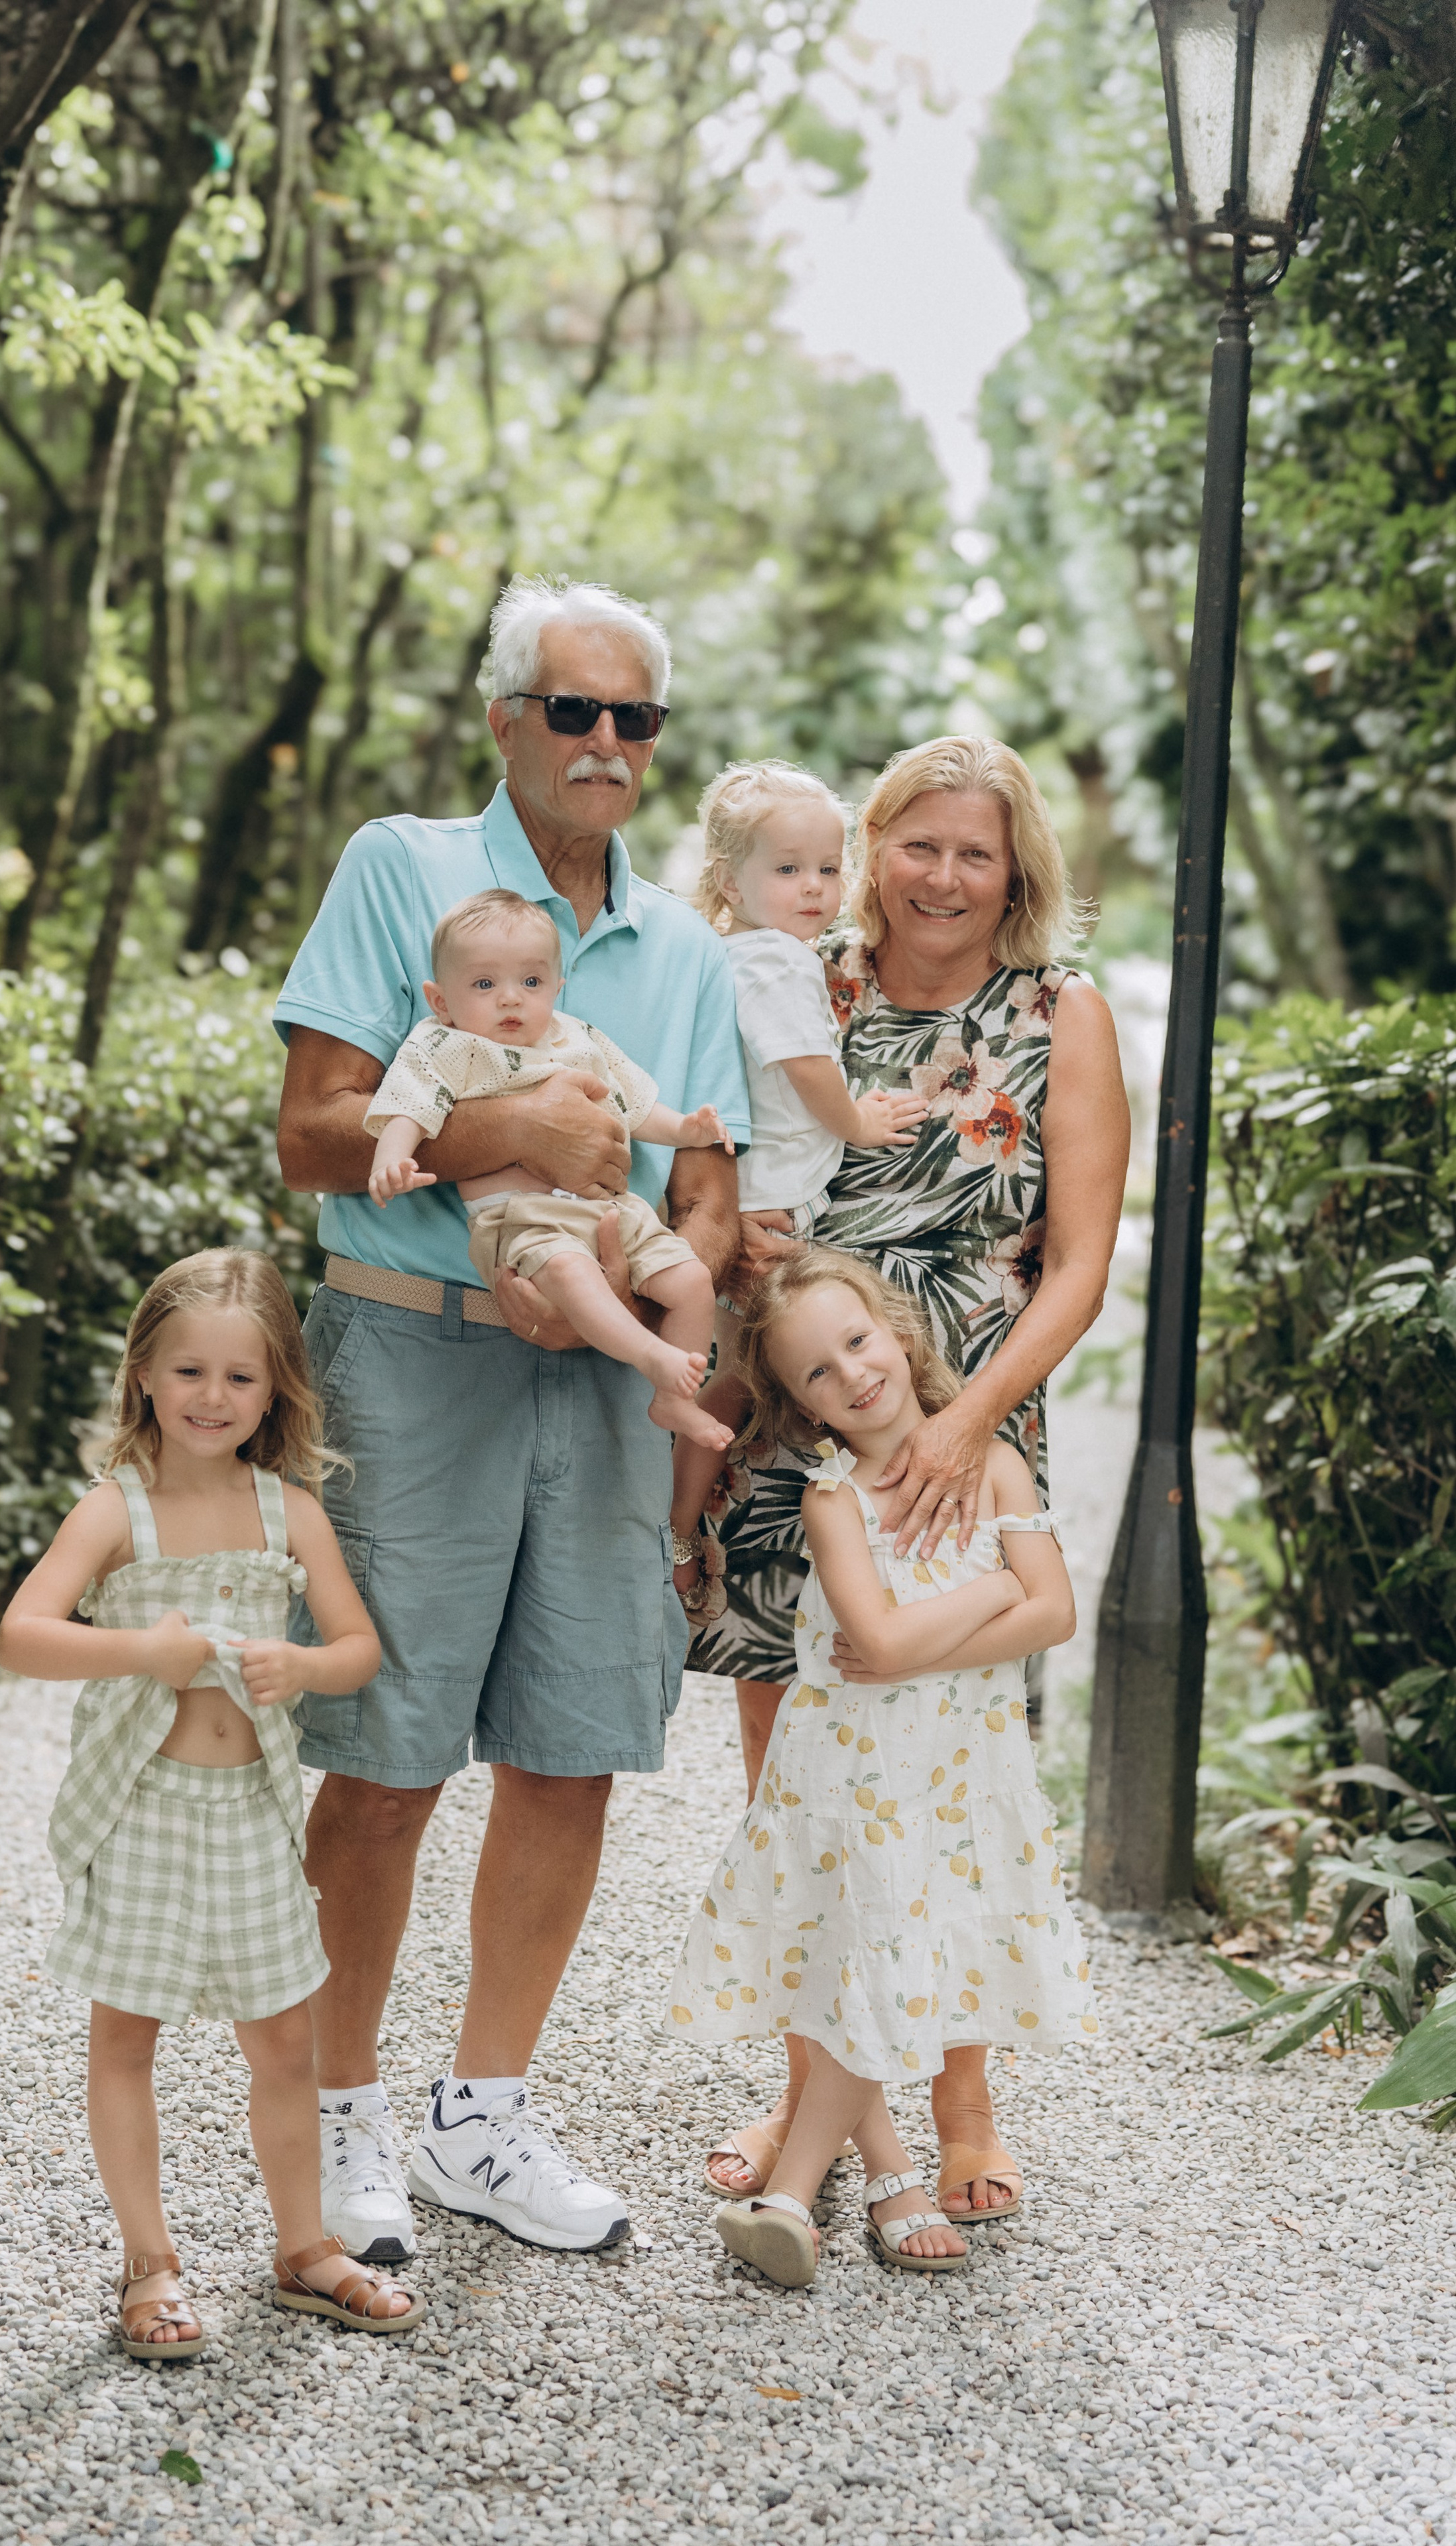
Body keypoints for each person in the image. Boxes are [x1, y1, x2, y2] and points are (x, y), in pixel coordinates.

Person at [273, 575, 750, 2263]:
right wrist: (511, 1141)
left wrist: (646, 1301)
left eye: (636, 719)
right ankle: (339, 2127)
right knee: (387, 1761)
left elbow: (704, 1186)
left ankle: (485, 2112)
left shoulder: (682, 948)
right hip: (414, 1358)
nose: (607, 744)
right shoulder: (399, 867)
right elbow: (316, 1131)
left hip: (605, 1375)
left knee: (569, 1749)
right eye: (574, 710)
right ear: (505, 721)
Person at [677, 734, 1128, 2219]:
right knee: (801, 1780)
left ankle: (963, 2096)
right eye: (914, 844)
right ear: (872, 848)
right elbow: (709, 1167)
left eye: (973, 851)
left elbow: (1073, 1270)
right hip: (793, 1419)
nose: (941, 875)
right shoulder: (801, 981)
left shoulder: (1058, 1013)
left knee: (951, 1763)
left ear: (1015, 871)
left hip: (964, 1427)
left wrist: (964, 1427)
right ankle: (813, 2094)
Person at [0, 1248, 421, 2351]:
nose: (212, 1398)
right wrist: (144, 1648)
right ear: (142, 1373)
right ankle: (151, 2265)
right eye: (189, 1371)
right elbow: (22, 1636)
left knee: (286, 2045)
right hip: (143, 1812)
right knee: (126, 2038)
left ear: (276, 1389)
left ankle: (304, 2248)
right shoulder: (117, 1513)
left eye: (241, 1378)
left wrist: (306, 1672)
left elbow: (358, 1647)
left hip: (249, 1819)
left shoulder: (286, 1511)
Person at [666, 1250, 1094, 2289]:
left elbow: (1058, 1614)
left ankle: (848, 2183)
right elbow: (888, 1644)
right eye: (818, 1372)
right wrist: (997, 1592)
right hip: (855, 1780)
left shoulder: (995, 1466)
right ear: (803, 1407)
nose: (852, 1375)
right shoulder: (833, 1499)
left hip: (954, 1781)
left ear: (898, 1334)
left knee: (876, 1970)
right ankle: (819, 2189)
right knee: (857, 1964)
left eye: (857, 1343)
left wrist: (984, 1606)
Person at [365, 886, 736, 1451]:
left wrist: (686, 1129)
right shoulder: (448, 1045)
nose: (511, 1000)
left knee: (690, 1281)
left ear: (557, 988)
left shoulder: (578, 1038)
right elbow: (412, 1103)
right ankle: (650, 1355)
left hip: (614, 1209)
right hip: (523, 1219)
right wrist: (392, 1157)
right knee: (568, 1271)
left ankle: (674, 1403)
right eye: (485, 985)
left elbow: (633, 1105)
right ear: (440, 1000)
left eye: (531, 983)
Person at [666, 758, 926, 1549]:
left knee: (745, 1370)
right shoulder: (778, 960)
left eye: (827, 867)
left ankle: (681, 1514)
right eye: (787, 870)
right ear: (730, 882)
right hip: (777, 1194)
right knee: (753, 1374)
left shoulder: (727, 953)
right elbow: (804, 1065)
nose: (814, 888)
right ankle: (679, 1522)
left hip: (754, 1185)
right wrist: (858, 1122)